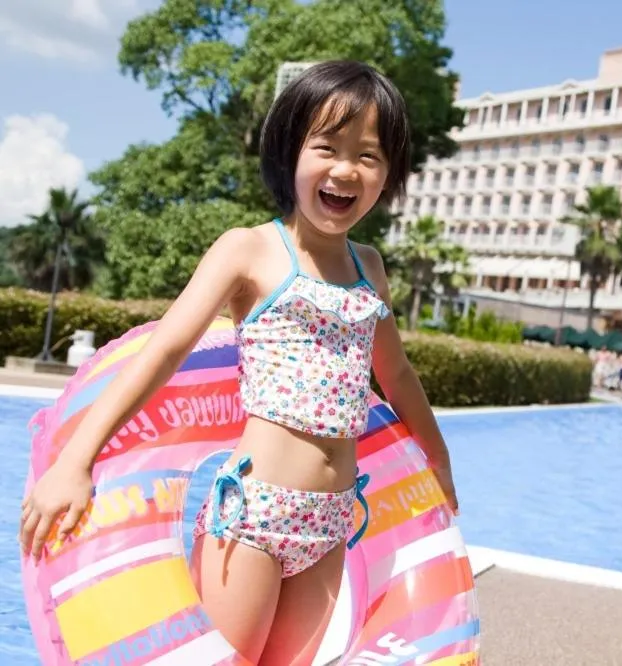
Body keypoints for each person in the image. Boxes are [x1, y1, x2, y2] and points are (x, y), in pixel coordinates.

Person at [18, 60, 459, 665]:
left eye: (369, 156)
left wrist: (437, 461)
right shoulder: (250, 249)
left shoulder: (370, 267)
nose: (345, 170)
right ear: (289, 153)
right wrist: (76, 460)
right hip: (254, 514)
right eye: (326, 147)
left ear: (389, 173)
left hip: (332, 520)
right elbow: (166, 349)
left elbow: (397, 372)